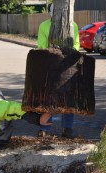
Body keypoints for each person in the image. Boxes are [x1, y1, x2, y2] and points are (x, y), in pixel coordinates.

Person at [36, 3, 80, 138]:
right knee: (49, 99)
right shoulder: (44, 26)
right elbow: (42, 46)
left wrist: (70, 55)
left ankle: (67, 128)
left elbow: (77, 44)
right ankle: (45, 128)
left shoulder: (73, 25)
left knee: (67, 99)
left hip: (67, 66)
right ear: (52, 13)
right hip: (51, 65)